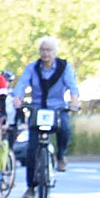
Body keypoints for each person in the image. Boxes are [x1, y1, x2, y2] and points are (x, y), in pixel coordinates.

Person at [15, 35, 78, 187]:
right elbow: (21, 84)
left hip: (57, 108)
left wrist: (74, 101)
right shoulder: (32, 68)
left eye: (49, 50)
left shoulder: (64, 67)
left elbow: (72, 86)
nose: (45, 53)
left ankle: (61, 156)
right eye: (42, 50)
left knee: (65, 128)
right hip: (37, 108)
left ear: (55, 52)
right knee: (31, 149)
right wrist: (17, 98)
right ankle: (31, 187)